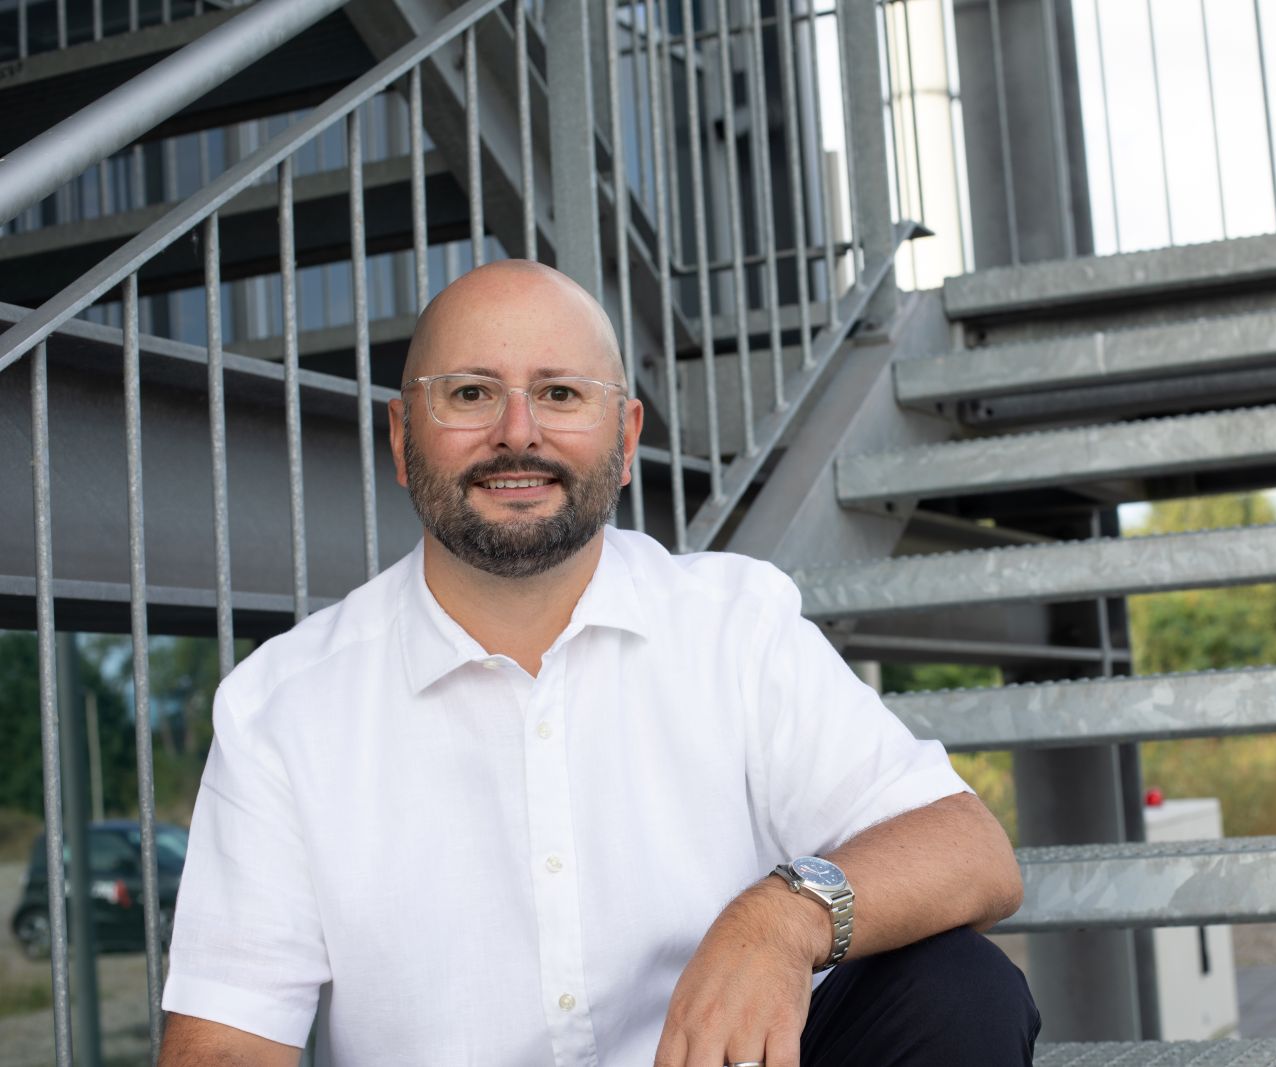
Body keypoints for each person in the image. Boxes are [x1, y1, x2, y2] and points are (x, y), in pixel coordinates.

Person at [158, 260, 1038, 1066]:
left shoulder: (732, 626)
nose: (517, 433)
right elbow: (223, 1044)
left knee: (958, 989)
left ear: (624, 438)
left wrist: (783, 915)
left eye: (560, 393)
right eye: (470, 393)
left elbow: (970, 850)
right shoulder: (282, 706)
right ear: (401, 435)